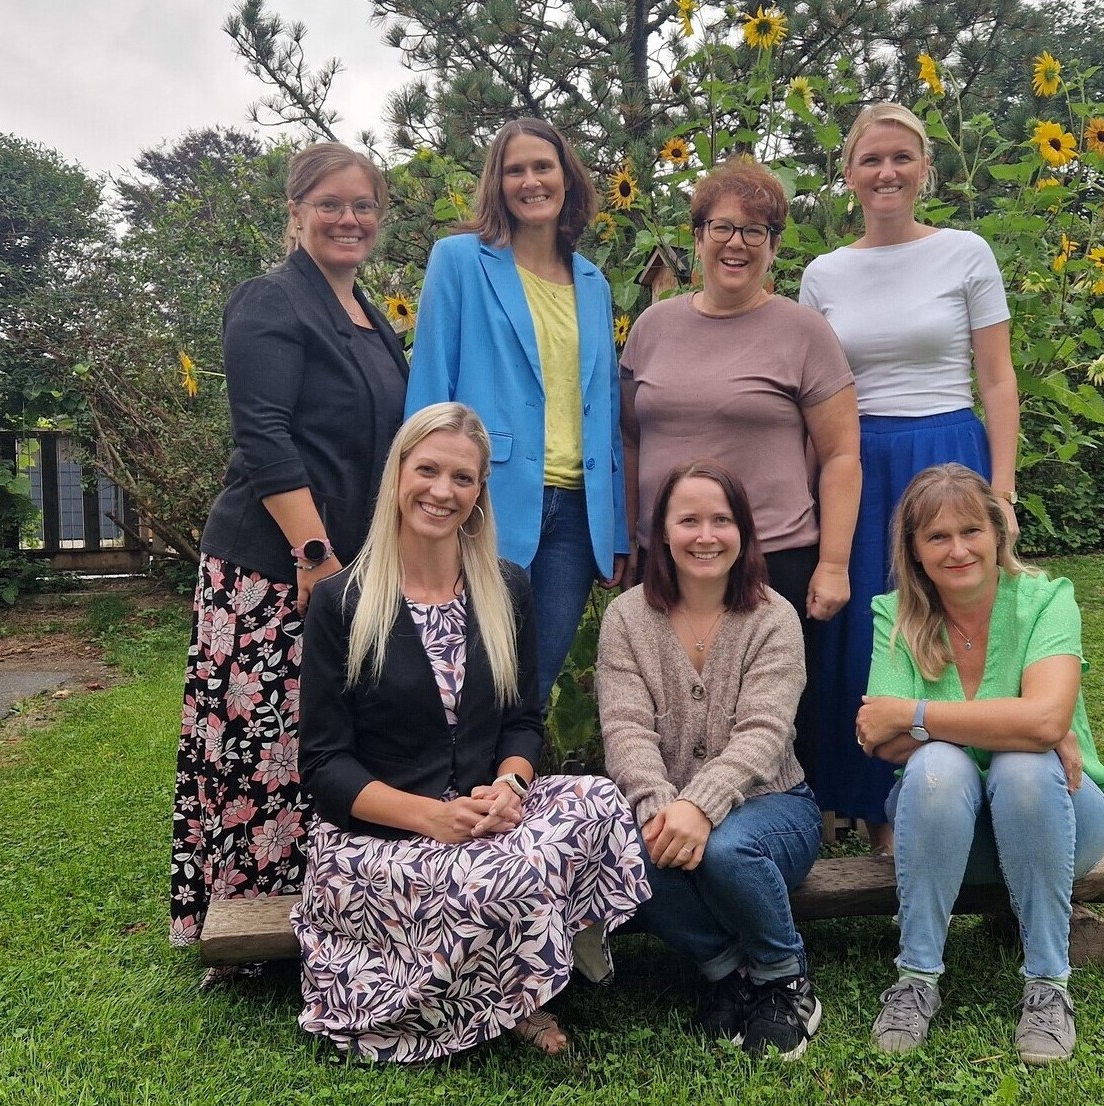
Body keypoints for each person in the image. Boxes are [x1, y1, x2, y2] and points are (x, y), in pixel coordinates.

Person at [293, 403, 651, 1062]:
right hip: (384, 838)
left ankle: (525, 960)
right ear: (398, 475)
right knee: (498, 876)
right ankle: (516, 995)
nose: (442, 491)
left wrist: (510, 786)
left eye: (462, 478)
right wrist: (431, 817)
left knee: (600, 800)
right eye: (427, 470)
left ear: (480, 491)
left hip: (486, 815)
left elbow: (521, 720)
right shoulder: (342, 601)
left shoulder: (505, 587)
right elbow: (323, 765)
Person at [172, 142, 408, 952]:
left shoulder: (368, 315)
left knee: (325, 737)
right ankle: (241, 933)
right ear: (296, 211)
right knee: (261, 748)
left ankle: (326, 912)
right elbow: (264, 436)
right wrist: (315, 557)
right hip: (274, 566)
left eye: (363, 205)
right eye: (330, 203)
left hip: (346, 566)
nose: (349, 218)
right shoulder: (271, 299)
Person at [801, 102, 1021, 853]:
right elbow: (812, 389)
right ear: (848, 174)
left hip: (948, 451)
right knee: (863, 630)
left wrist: (1002, 490)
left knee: (954, 621)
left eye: (901, 157)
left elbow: (997, 379)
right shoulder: (824, 273)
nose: (886, 171)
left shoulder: (966, 253)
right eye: (870, 159)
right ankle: (868, 805)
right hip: (857, 463)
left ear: (926, 168)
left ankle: (958, 792)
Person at [854, 464, 1104, 1065]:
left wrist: (915, 713)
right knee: (941, 766)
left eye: (971, 530)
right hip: (943, 839)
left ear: (998, 533)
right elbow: (881, 739)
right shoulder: (895, 613)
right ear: (914, 550)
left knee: (1021, 768)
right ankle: (916, 979)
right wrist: (1014, 726)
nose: (958, 550)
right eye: (937, 537)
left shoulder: (1047, 598)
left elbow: (1045, 721)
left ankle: (1048, 986)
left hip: (1063, 824)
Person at [620, 157, 861, 774]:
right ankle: (667, 813)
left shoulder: (803, 333)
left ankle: (775, 822)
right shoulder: (652, 326)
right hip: (666, 557)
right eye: (722, 227)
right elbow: (629, 439)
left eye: (756, 231)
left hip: (772, 558)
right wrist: (628, 536)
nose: (737, 243)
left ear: (774, 246)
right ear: (697, 236)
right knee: (663, 716)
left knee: (766, 728)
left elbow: (840, 454)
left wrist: (833, 564)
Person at [598, 459, 823, 1059]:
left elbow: (764, 732)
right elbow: (625, 730)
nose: (706, 536)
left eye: (721, 520)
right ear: (662, 533)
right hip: (666, 804)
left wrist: (699, 806)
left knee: (725, 848)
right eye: (688, 520)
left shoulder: (774, 616)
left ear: (743, 530)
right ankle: (729, 971)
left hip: (773, 805)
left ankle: (785, 978)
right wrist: (661, 809)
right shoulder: (627, 618)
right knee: (625, 854)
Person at [405, 118, 627, 706]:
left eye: (543, 167)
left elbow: (605, 410)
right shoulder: (460, 261)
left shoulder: (593, 282)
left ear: (566, 178)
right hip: (484, 502)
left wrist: (616, 528)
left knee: (534, 686)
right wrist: (418, 494)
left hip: (576, 516)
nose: (531, 182)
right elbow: (430, 387)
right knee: (460, 678)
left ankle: (512, 771)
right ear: (497, 184)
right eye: (515, 170)